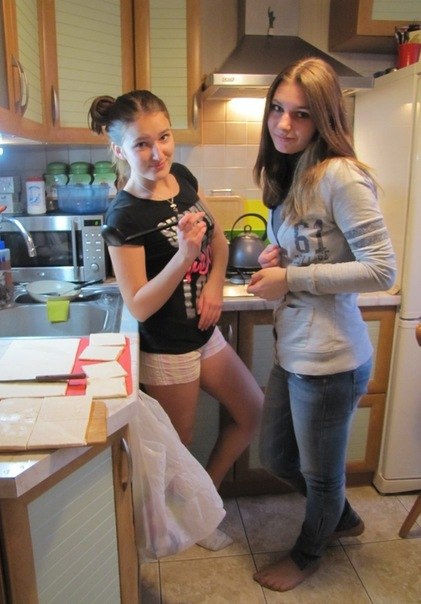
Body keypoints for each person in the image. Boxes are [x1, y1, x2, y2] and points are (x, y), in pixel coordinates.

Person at [88, 90, 263, 550]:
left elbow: (218, 240)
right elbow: (139, 305)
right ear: (119, 150)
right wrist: (184, 256)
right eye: (141, 144)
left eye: (163, 137)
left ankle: (205, 504)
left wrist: (214, 284)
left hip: (204, 334)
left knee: (251, 410)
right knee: (176, 450)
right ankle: (173, 528)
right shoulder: (123, 216)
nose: (157, 153)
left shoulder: (182, 177)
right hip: (167, 346)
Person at [247, 58, 396, 591]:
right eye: (278, 109)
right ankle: (342, 518)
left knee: (319, 474)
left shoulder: (341, 176)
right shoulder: (291, 173)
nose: (284, 124)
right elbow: (318, 250)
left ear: (325, 118)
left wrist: (290, 277)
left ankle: (308, 553)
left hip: (331, 358)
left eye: (302, 114)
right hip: (294, 350)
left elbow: (382, 270)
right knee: (276, 456)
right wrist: (280, 255)